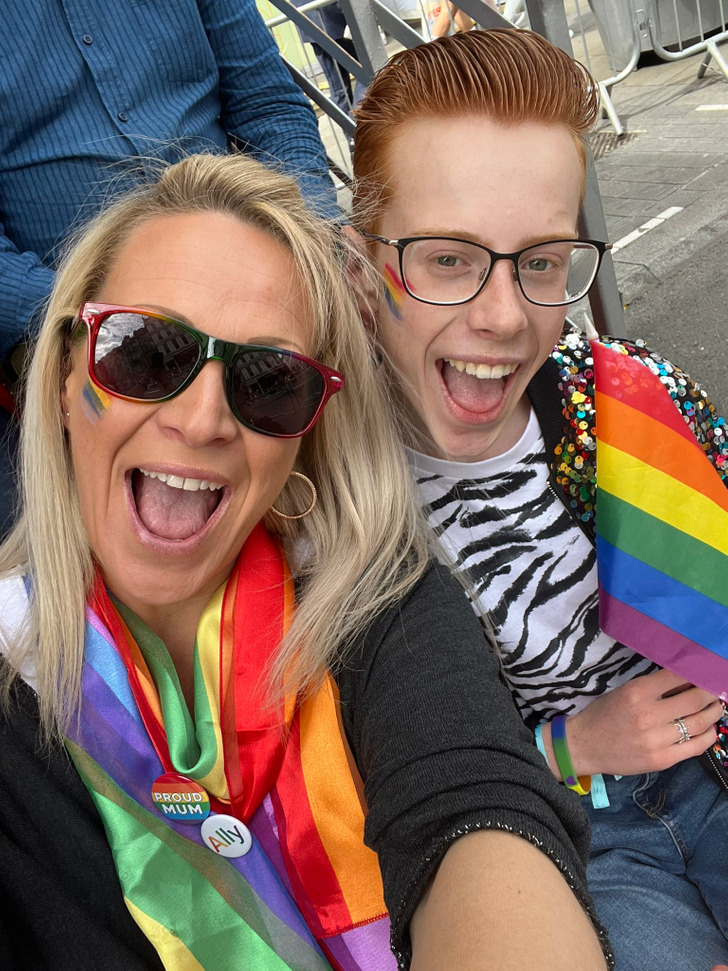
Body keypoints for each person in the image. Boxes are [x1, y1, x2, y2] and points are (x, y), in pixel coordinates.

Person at [0, 152, 609, 969]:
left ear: (306, 433)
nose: (203, 417)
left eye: (268, 379)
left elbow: (474, 799)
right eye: (146, 351)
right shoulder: (15, 677)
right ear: (66, 376)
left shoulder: (378, 601)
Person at [352, 28, 728, 971]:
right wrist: (576, 743)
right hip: (573, 838)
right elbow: (377, 796)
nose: (507, 315)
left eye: (544, 261)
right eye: (448, 258)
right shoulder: (337, 503)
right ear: (363, 264)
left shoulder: (630, 394)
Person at [0, 0, 340, 534]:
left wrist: (316, 248)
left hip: (244, 272)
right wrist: (97, 321)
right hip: (70, 322)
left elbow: (269, 106)